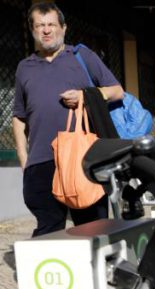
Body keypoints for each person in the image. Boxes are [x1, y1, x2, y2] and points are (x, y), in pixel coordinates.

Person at [12, 2, 124, 237]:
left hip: (84, 159)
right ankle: (48, 273)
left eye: (51, 24)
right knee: (47, 231)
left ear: (63, 28)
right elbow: (19, 116)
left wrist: (86, 96)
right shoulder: (24, 67)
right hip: (42, 162)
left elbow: (117, 90)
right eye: (40, 25)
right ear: (32, 30)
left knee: (92, 229)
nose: (46, 30)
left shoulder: (82, 56)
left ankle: (94, 273)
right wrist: (24, 158)